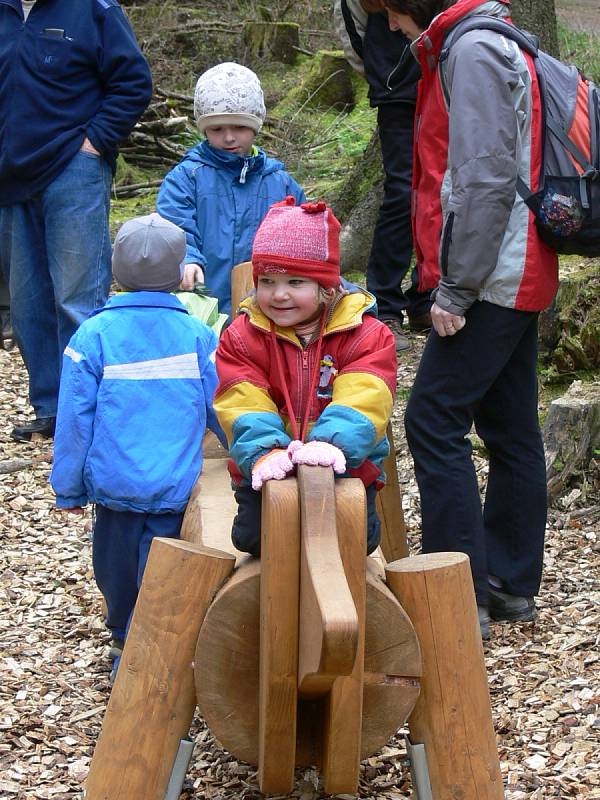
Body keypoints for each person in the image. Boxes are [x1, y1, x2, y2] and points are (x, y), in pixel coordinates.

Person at [380, 0, 559, 637]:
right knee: (510, 428)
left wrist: (454, 289)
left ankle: (457, 596)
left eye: (391, 15)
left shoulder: (474, 49)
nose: (393, 29)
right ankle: (508, 585)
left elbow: (482, 178)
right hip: (518, 267)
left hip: (493, 274)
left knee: (433, 419)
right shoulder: (497, 40)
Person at [50, 213, 225, 680]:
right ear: (177, 274)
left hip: (113, 484)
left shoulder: (93, 336)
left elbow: (72, 420)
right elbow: (221, 405)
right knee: (162, 566)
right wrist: (249, 453)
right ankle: (153, 644)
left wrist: (68, 486)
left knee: (115, 567)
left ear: (115, 272)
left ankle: (125, 638)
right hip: (173, 481)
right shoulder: (196, 334)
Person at [0, 0, 152, 442]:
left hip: (74, 168)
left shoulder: (94, 10)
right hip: (12, 179)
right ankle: (50, 407)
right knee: (28, 304)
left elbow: (133, 82)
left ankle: (88, 410)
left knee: (77, 298)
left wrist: (95, 144)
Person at [214, 197, 397, 557]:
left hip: (347, 468)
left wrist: (332, 444)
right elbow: (242, 400)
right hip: (268, 468)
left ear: (327, 288)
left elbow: (365, 394)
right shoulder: (242, 335)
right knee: (255, 539)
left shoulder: (366, 334)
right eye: (266, 281)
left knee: (355, 540)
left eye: (295, 281)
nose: (278, 295)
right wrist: (265, 452)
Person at [156, 62, 305, 318]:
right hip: (201, 305)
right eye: (216, 129)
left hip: (268, 308)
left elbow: (303, 238)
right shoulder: (186, 178)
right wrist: (187, 258)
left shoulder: (280, 183)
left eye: (239, 127)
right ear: (204, 129)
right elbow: (173, 227)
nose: (228, 138)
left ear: (256, 126)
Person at [334, 0, 431, 352]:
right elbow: (352, 29)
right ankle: (386, 305)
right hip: (394, 87)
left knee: (441, 190)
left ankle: (427, 295)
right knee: (403, 191)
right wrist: (382, 71)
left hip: (444, 76)